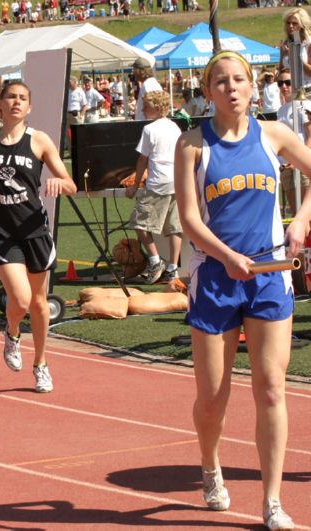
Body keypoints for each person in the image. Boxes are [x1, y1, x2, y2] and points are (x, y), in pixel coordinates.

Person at [173, 50, 311, 531]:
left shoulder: (274, 135)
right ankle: (210, 465)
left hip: (270, 275)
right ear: (207, 92)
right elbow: (189, 219)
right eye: (220, 81)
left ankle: (271, 501)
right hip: (215, 277)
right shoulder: (192, 144)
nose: (231, 88)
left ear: (254, 87)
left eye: (239, 80)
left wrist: (302, 222)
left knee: (272, 388)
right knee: (213, 398)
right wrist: (228, 258)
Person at [0, 80, 77, 393]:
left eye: (22, 98)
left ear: (29, 107)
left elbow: (71, 184)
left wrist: (58, 184)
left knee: (39, 304)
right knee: (22, 299)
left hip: (34, 229)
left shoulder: (39, 141)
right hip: (1, 232)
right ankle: (12, 330)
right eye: (10, 97)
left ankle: (40, 364)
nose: (16, 102)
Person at [124, 90, 183, 284]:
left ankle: (156, 261)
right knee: (174, 227)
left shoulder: (150, 129)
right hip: (177, 181)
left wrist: (135, 184)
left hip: (158, 183)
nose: (142, 109)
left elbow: (143, 159)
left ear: (157, 108)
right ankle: (173, 268)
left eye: (146, 106)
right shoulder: (174, 127)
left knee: (139, 224)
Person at [275, 67, 311, 217]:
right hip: (286, 166)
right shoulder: (281, 110)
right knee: (296, 214)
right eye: (280, 83)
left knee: (306, 214)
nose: (284, 86)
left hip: (301, 164)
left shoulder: (304, 105)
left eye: (288, 82)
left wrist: (300, 159)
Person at [278, 7, 311, 94]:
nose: (291, 26)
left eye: (294, 23)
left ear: (302, 25)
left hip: (307, 91)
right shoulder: (286, 42)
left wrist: (295, 57)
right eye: (288, 23)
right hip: (290, 92)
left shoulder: (308, 43)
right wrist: (282, 55)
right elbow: (281, 70)